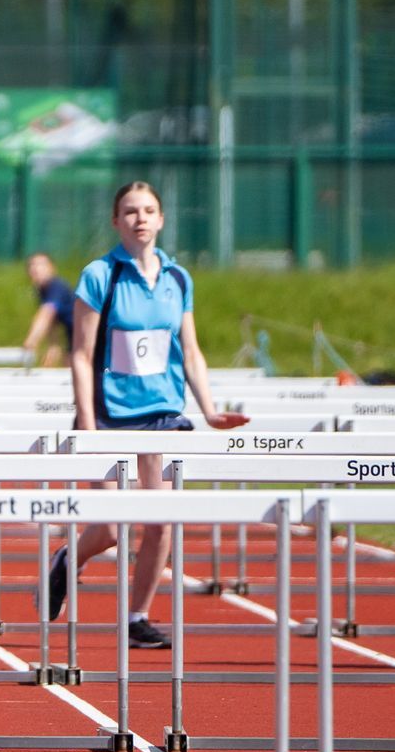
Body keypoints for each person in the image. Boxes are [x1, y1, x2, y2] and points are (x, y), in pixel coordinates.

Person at [46, 181, 246, 649]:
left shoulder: (178, 278)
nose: (140, 218)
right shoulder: (100, 275)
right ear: (116, 221)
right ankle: (67, 560)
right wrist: (87, 424)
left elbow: (190, 351)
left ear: (161, 220)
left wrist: (211, 411)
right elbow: (80, 352)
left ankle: (136, 616)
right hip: (107, 416)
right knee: (114, 527)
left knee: (160, 522)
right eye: (130, 211)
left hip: (160, 413)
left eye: (149, 210)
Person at [21, 252, 77, 368]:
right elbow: (52, 321)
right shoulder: (42, 291)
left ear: (52, 268)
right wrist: (53, 346)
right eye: (31, 265)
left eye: (41, 265)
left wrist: (32, 340)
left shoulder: (56, 286)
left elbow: (46, 313)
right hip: (73, 332)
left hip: (87, 332)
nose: (35, 269)